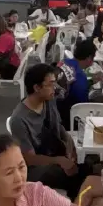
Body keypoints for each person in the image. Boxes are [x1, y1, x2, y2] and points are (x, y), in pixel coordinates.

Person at [9, 63, 89, 197]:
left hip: (56, 156)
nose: (55, 88)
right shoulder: (19, 119)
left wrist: (71, 151)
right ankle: (75, 204)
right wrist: (59, 161)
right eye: (51, 84)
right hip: (37, 169)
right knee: (80, 177)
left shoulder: (49, 100)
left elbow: (60, 129)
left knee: (91, 167)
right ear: (37, 88)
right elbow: (29, 159)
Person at [61, 38, 100, 108]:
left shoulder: (63, 62)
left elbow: (72, 86)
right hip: (69, 111)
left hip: (55, 106)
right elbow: (82, 105)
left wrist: (90, 82)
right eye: (93, 58)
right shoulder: (80, 76)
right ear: (89, 58)